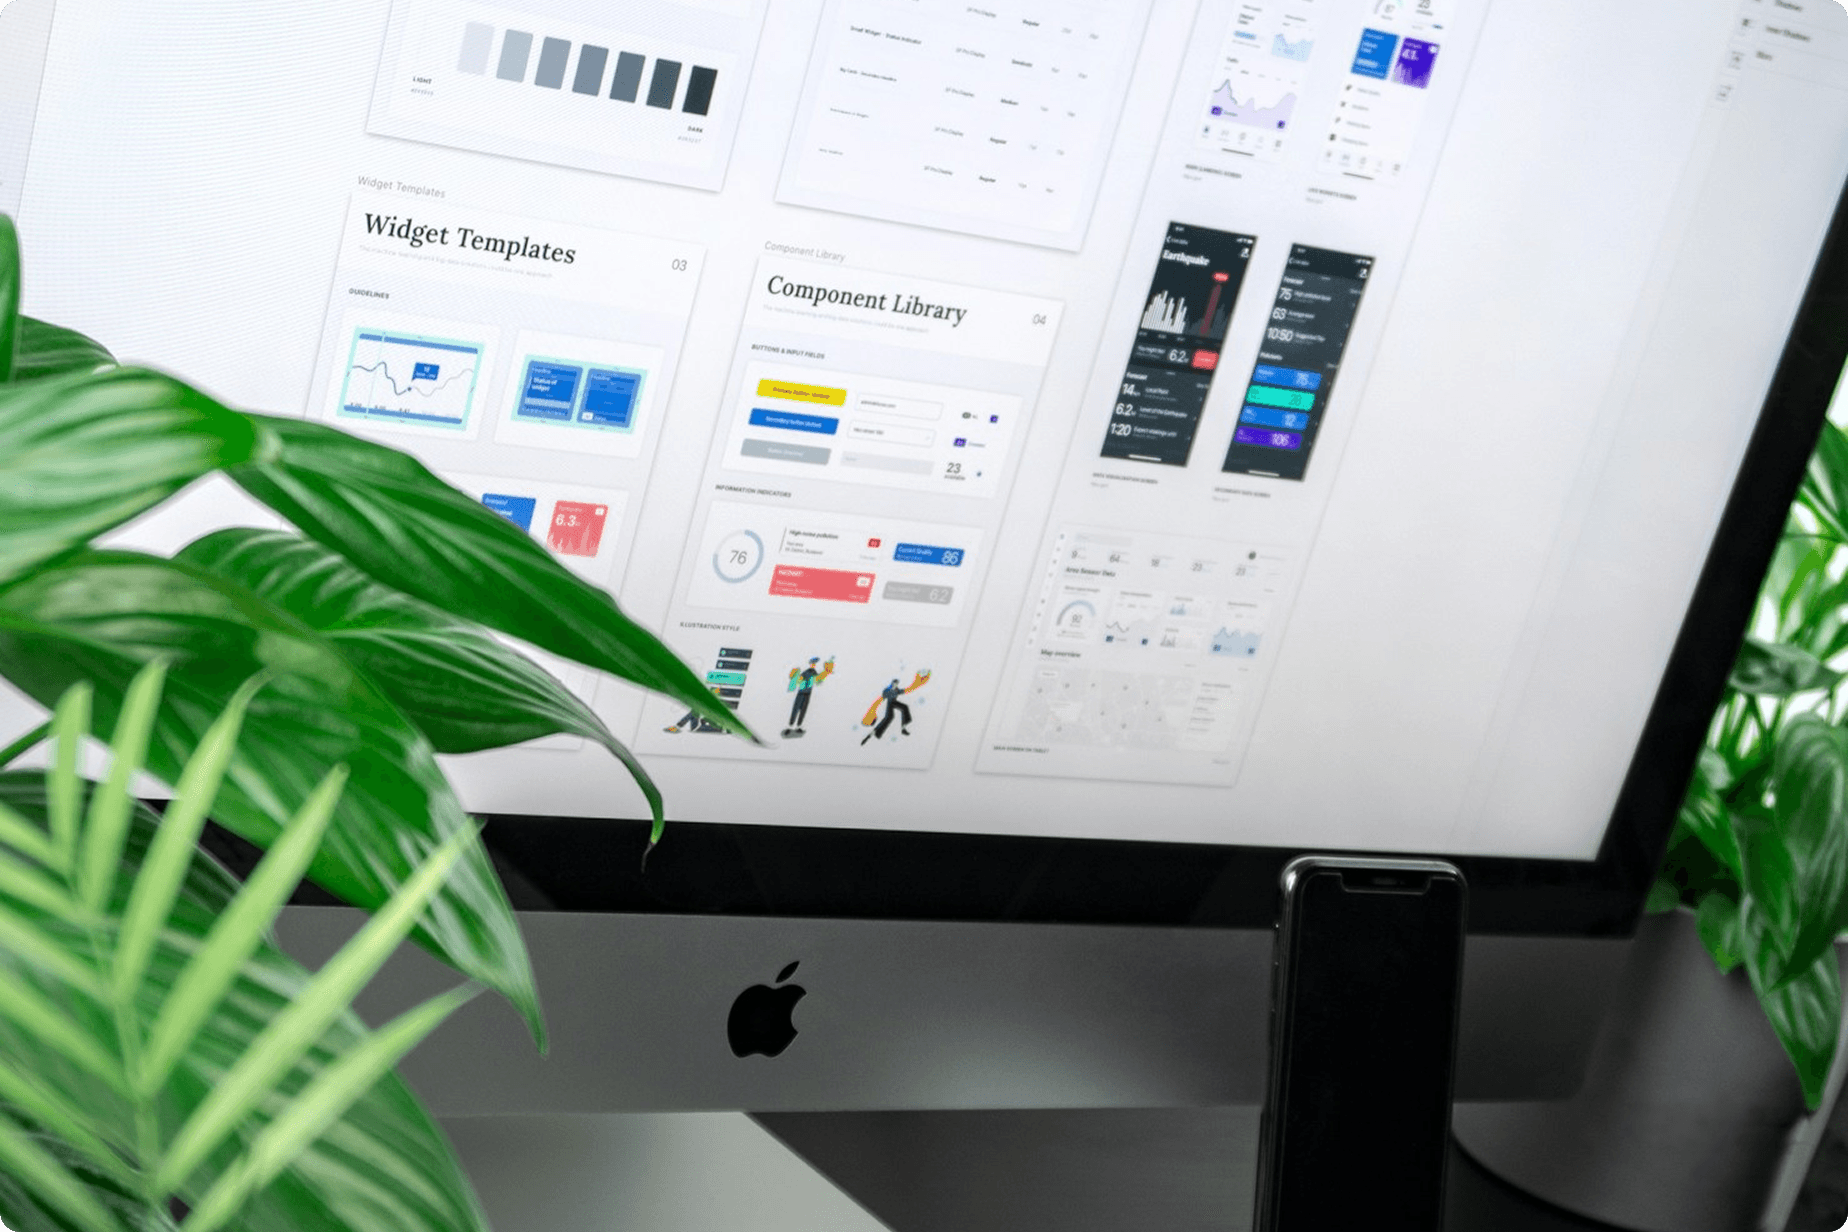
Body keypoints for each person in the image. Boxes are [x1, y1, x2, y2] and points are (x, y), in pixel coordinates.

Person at [861, 670, 931, 745]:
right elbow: (881, 699)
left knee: (902, 709)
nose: (895, 685)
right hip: (890, 703)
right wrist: (872, 713)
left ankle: (903, 727)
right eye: (894, 684)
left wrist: (918, 682)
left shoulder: (896, 690)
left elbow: (907, 690)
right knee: (889, 717)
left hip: (894, 702)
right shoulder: (887, 690)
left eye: (897, 684)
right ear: (892, 683)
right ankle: (872, 734)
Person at [784, 656, 834, 738]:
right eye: (813, 663)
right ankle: (790, 726)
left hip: (808, 693)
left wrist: (826, 672)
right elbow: (800, 679)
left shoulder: (814, 672)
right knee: (796, 709)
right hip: (801, 692)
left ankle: (798, 726)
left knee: (803, 710)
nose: (814, 665)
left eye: (815, 664)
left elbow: (819, 680)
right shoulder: (806, 672)